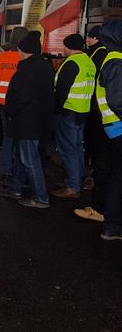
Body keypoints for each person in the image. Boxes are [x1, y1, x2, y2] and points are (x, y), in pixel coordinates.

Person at [0, 31, 54, 209]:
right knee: (22, 157)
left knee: (29, 159)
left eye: (20, 49)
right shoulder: (44, 65)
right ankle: (15, 189)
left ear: (25, 51)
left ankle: (41, 197)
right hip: (37, 120)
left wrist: (10, 111)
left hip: (27, 121)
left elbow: (21, 96)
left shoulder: (27, 68)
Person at [52, 34, 96, 199]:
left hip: (68, 111)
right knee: (77, 147)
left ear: (69, 47)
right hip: (83, 111)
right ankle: (79, 178)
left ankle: (72, 186)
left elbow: (62, 91)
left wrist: (56, 110)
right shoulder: (88, 62)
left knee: (67, 149)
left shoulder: (71, 63)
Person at [76, 26, 110, 222]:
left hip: (101, 117)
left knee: (102, 159)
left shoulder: (103, 58)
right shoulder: (104, 56)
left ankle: (100, 208)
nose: (87, 39)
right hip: (104, 117)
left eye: (90, 36)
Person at [94, 21, 122, 240]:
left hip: (114, 126)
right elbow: (117, 100)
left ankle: (112, 225)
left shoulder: (113, 59)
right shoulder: (115, 61)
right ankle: (113, 225)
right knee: (118, 177)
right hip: (118, 126)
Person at [0, 27, 28, 186]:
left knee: (7, 139)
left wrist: (0, 98)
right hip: (20, 106)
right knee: (21, 140)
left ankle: (6, 172)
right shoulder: (25, 58)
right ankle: (20, 175)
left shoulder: (2, 58)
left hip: (4, 104)